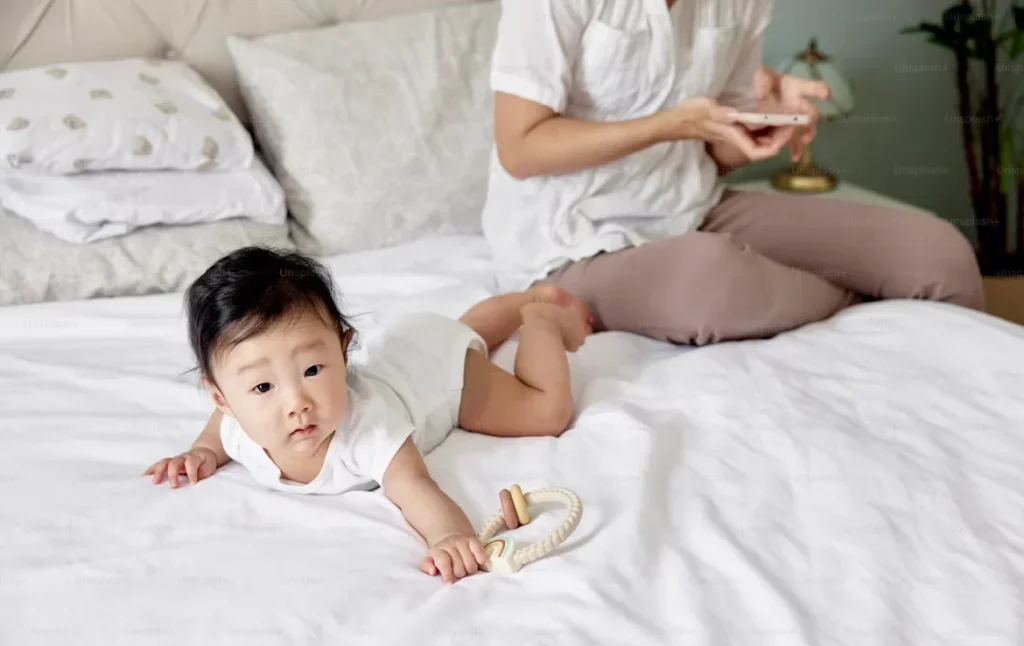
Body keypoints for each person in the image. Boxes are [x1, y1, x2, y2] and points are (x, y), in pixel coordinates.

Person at [481, 0, 985, 346]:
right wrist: (667, 126)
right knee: (712, 279)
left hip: (693, 206)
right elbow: (521, 147)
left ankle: (807, 298)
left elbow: (721, 150)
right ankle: (864, 304)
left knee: (939, 255)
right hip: (570, 240)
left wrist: (766, 122)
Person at [142, 246, 592, 584]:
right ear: (222, 397)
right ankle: (518, 303)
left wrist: (449, 537)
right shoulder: (237, 425)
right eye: (263, 387)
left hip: (445, 377)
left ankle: (540, 321)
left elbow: (415, 487)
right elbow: (221, 432)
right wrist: (201, 451)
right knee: (460, 331)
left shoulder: (368, 426)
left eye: (313, 369)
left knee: (545, 411)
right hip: (415, 342)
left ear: (343, 348)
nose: (297, 402)